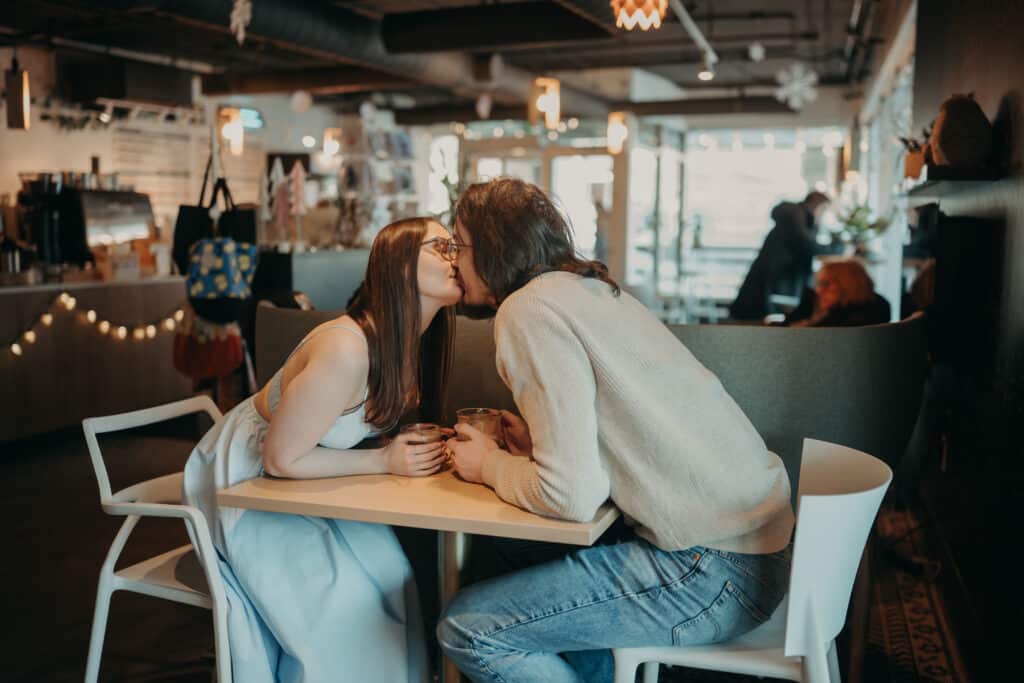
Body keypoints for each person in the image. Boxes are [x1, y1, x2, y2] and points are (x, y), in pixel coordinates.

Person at [439, 178, 794, 683]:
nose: (453, 259)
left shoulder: (528, 310)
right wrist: (537, 449)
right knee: (510, 553)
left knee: (468, 628)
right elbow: (626, 438)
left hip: (710, 571)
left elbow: (572, 497)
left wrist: (488, 464)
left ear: (493, 248)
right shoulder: (590, 289)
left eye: (460, 244)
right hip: (756, 551)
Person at [182, 217, 463, 683]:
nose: (456, 256)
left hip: (313, 481)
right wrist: (384, 459)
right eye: (442, 246)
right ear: (398, 266)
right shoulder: (345, 349)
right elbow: (280, 458)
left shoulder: (413, 341)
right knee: (345, 603)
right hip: (247, 482)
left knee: (394, 577)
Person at [729, 191, 831, 320]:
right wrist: (838, 246)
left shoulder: (794, 217)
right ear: (818, 206)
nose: (823, 216)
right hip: (777, 279)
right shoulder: (796, 218)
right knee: (769, 321)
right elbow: (809, 246)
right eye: (824, 211)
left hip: (774, 277)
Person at [786, 258, 891, 327]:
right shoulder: (814, 300)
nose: (818, 290)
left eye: (825, 283)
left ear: (847, 285)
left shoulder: (870, 311)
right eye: (818, 283)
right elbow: (788, 323)